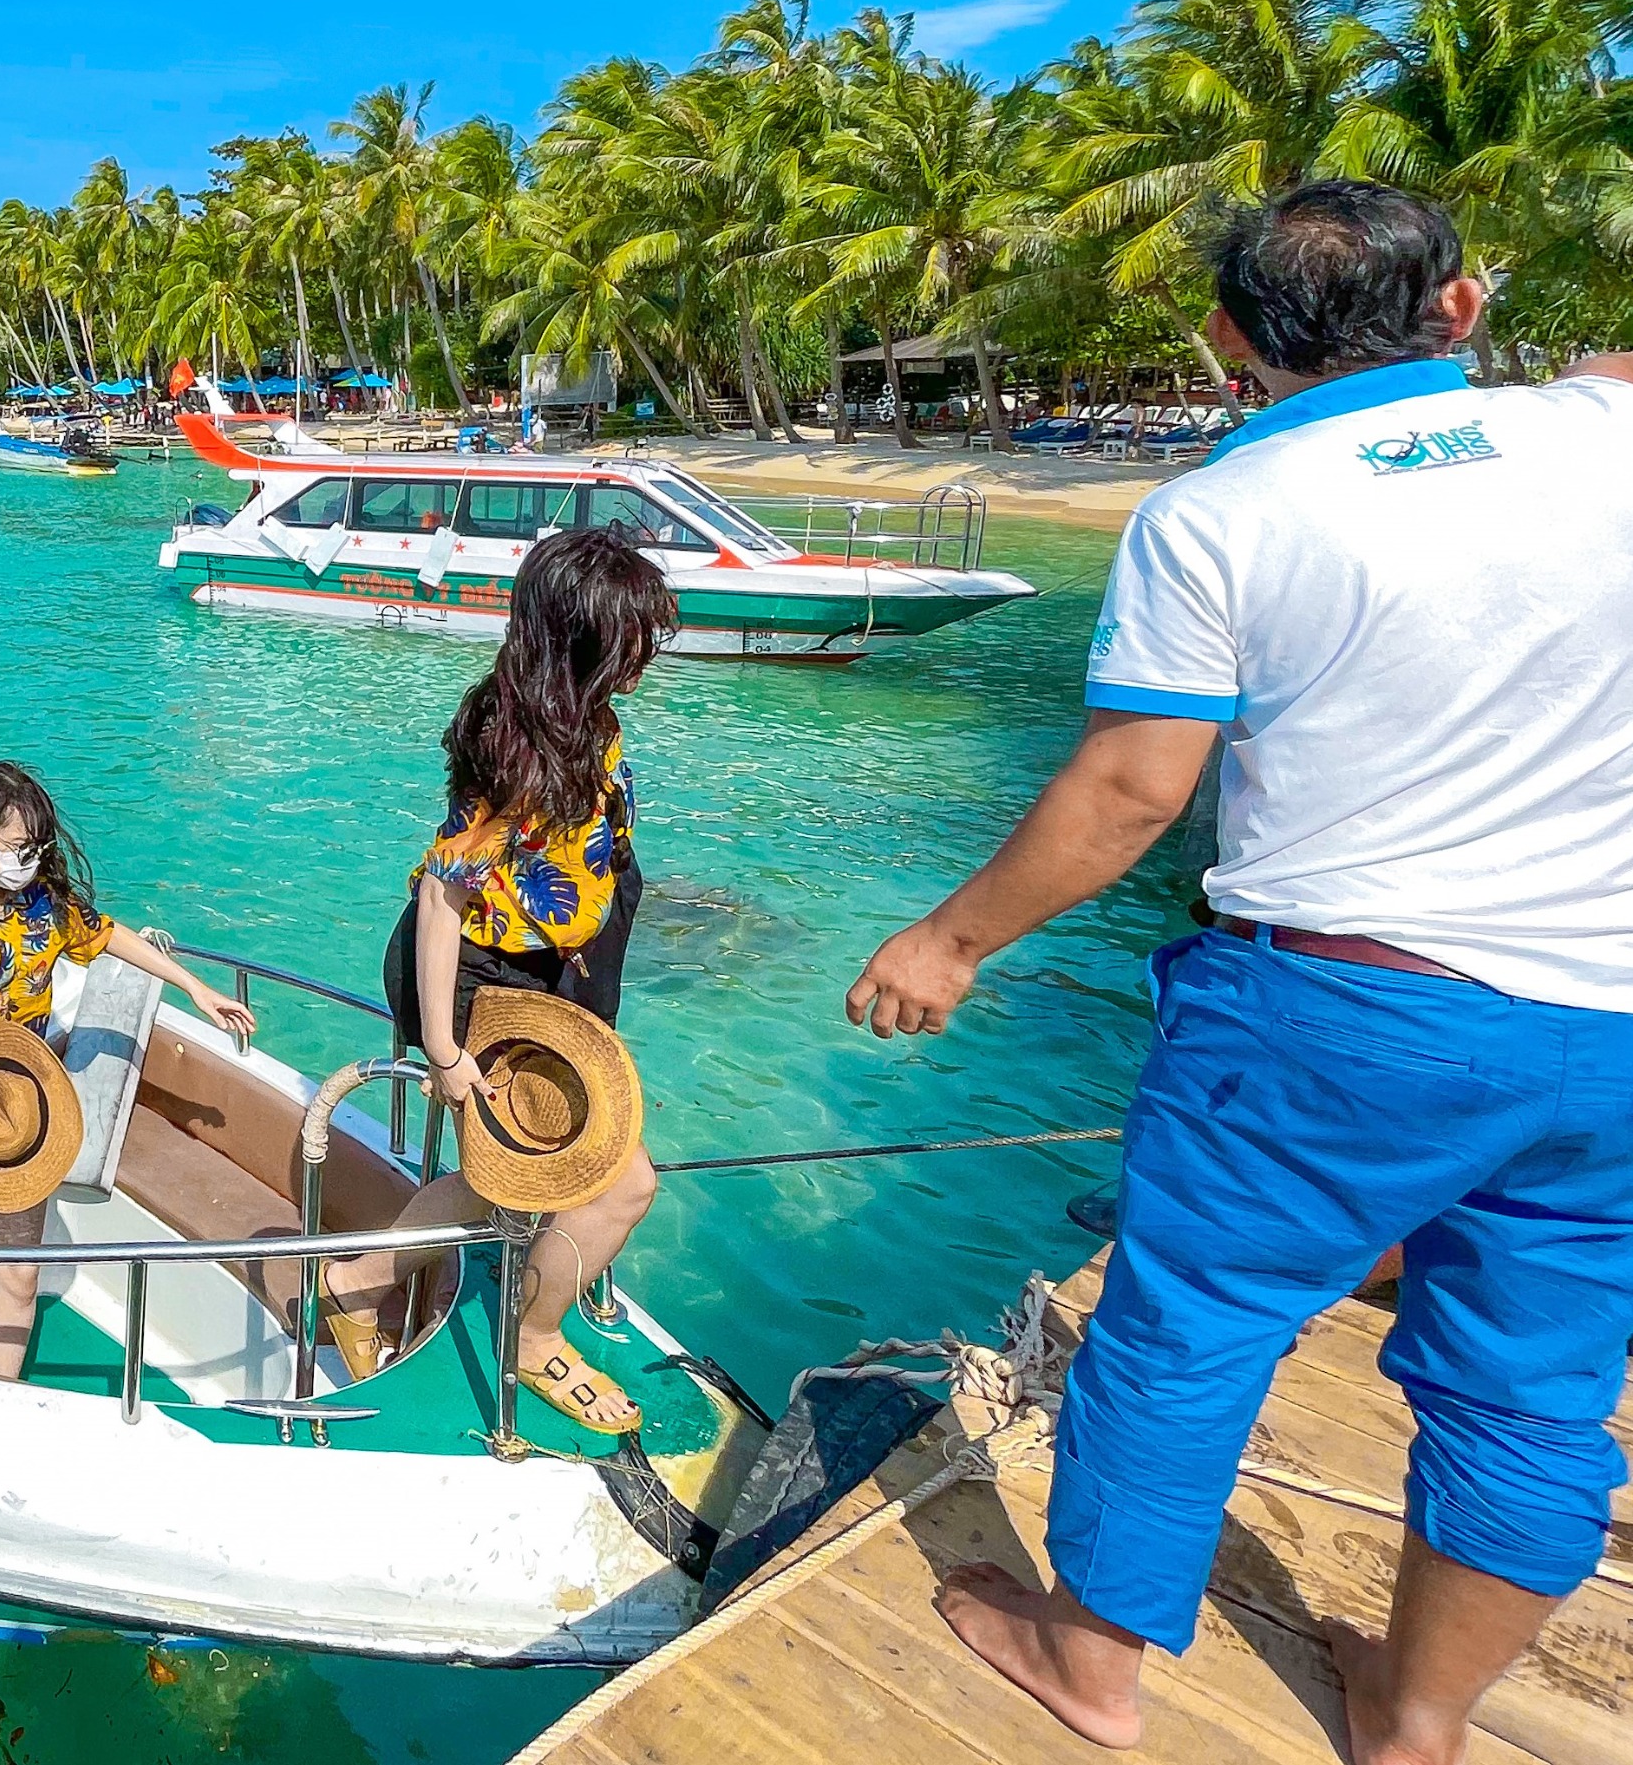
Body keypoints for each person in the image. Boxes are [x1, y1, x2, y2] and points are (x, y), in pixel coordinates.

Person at [844, 181, 1633, 1759]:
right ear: (1463, 307)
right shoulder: (1604, 432)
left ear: (1225, 341)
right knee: (1537, 1394)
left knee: (1187, 1323)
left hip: (1338, 1008)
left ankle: (1093, 1666)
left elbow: (1134, 791)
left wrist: (947, 941)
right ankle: (1416, 1720)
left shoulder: (1218, 514)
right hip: (1609, 1022)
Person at [319, 526, 674, 1427]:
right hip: (482, 976)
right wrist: (442, 1047)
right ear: (578, 641)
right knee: (616, 1180)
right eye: (628, 637)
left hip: (552, 967)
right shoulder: (513, 744)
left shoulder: (580, 714)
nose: (643, 654)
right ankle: (528, 1333)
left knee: (510, 1174)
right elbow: (445, 896)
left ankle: (359, 1282)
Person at [0, 762, 255, 1378]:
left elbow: (108, 936)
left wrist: (196, 989)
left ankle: (1, 1402)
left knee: (18, 1280)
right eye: (18, 847)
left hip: (24, 1116)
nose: (30, 859)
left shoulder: (43, 909)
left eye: (37, 847)